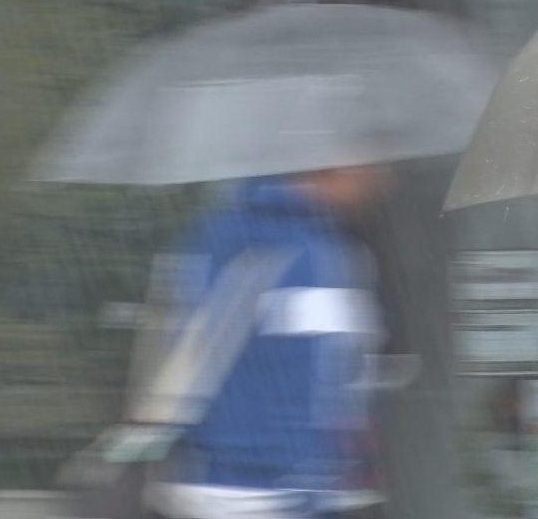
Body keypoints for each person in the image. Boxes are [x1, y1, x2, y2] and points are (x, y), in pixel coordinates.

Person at [148, 165, 392, 519]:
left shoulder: (223, 234)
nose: (380, 179)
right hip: (257, 494)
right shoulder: (290, 246)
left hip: (253, 485)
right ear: (331, 164)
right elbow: (316, 379)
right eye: (368, 167)